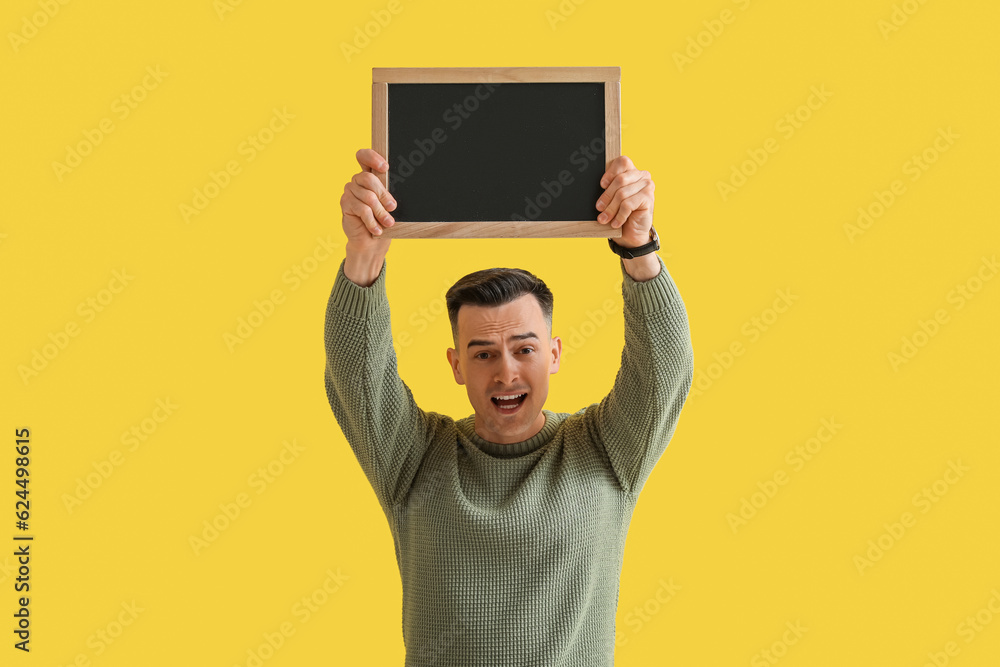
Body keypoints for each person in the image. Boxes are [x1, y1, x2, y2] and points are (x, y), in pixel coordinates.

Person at [325, 148, 694, 665]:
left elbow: (664, 371)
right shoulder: (413, 458)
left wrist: (639, 248)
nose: (506, 372)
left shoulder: (605, 451)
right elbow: (355, 375)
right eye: (483, 354)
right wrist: (363, 255)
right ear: (456, 366)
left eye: (525, 348)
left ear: (555, 354)